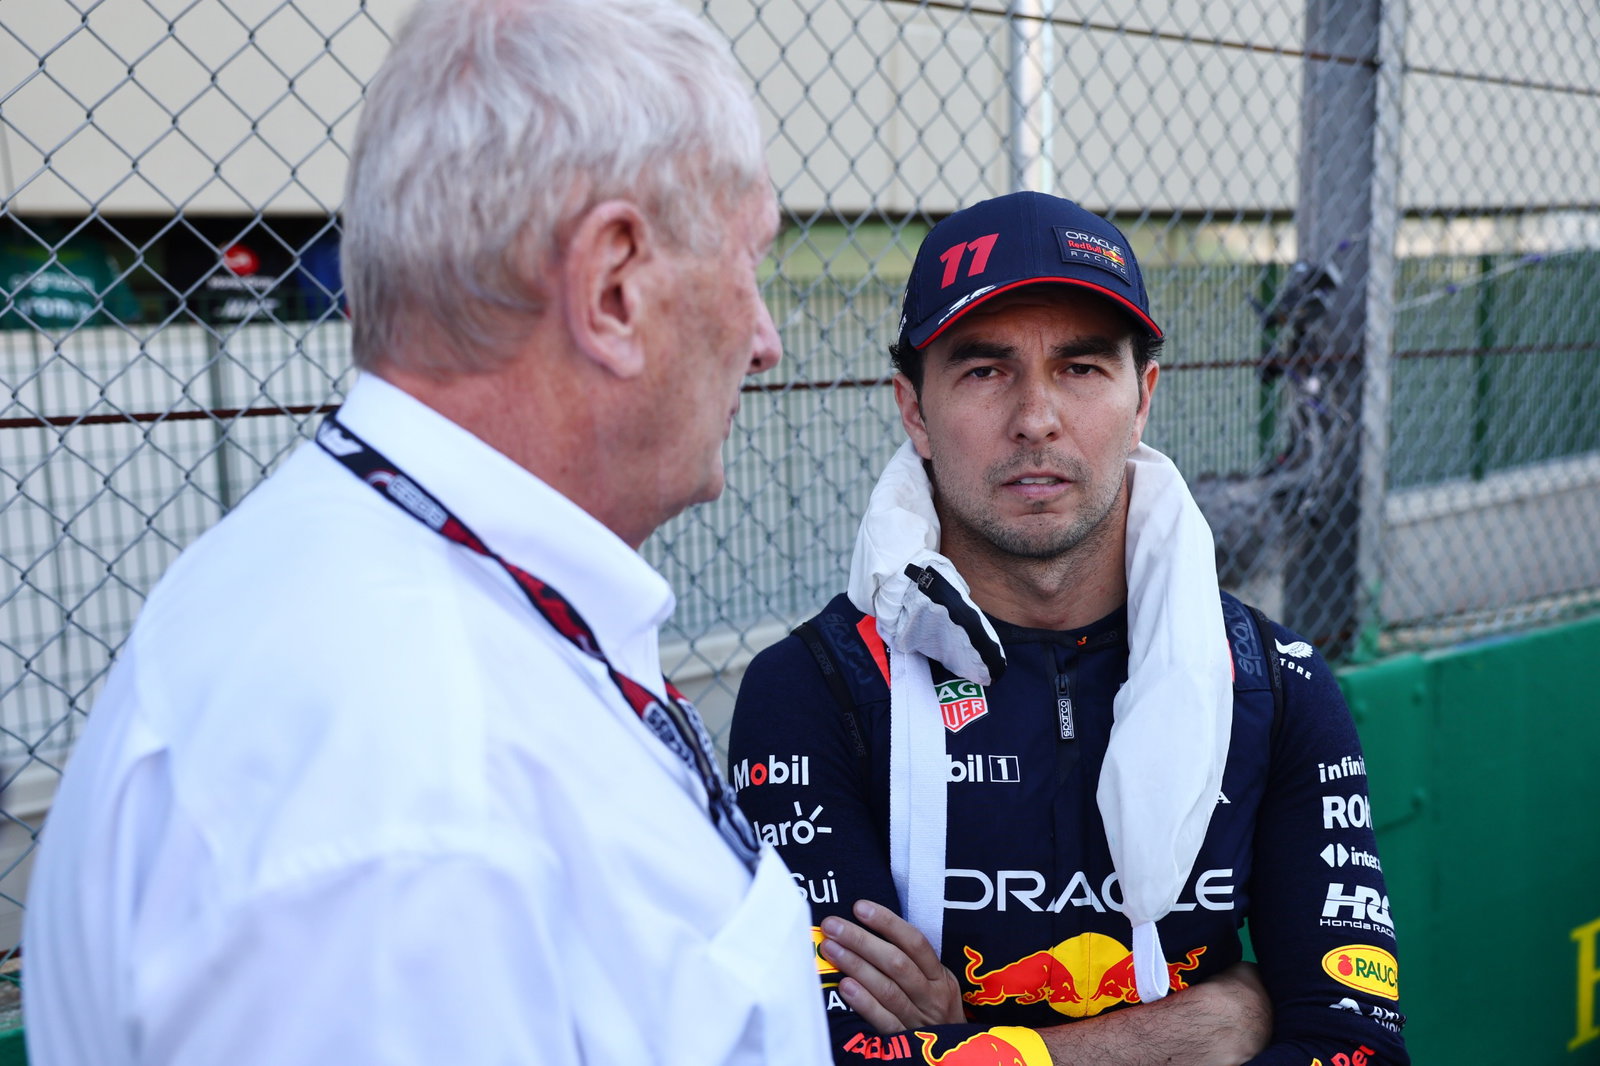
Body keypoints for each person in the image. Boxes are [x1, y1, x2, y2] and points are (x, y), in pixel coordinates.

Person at [22, 2, 831, 1063]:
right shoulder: (419, 798)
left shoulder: (379, 599)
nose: (765, 338)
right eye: (750, 262)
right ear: (615, 287)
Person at [729, 191, 1408, 1065]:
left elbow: (1353, 1050)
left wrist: (965, 1041)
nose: (1036, 417)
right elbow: (825, 1056)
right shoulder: (812, 695)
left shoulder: (1274, 681)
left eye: (1082, 368)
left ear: (1143, 399)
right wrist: (1204, 1027)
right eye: (984, 370)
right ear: (913, 409)